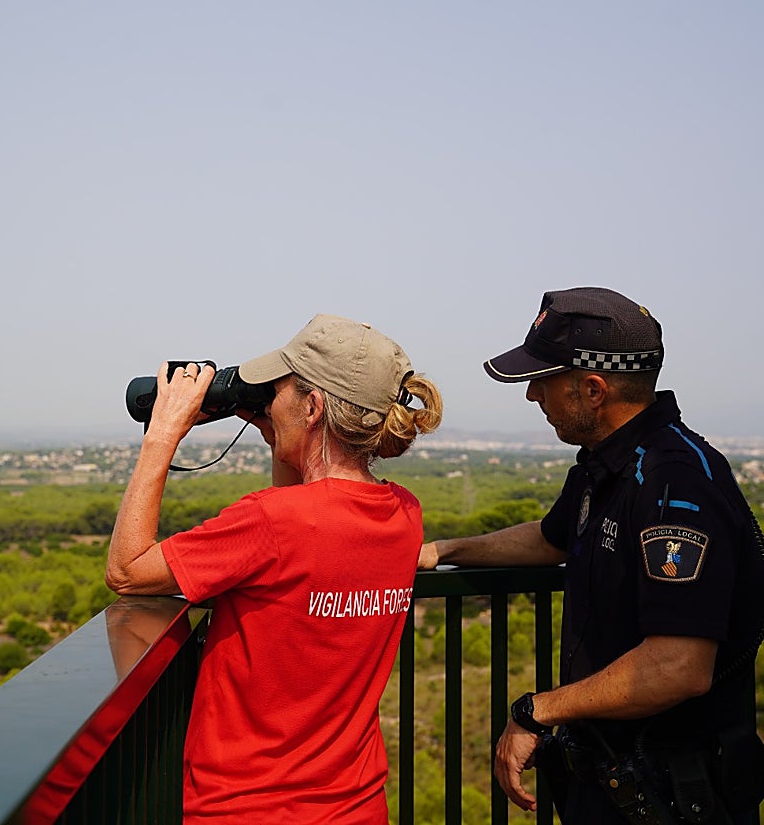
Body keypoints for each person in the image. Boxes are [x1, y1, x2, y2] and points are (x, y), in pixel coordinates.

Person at [418, 287, 764, 824]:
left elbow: (679, 666)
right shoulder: (606, 465)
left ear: (594, 389)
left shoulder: (673, 481)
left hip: (676, 793)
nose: (533, 396)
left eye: (542, 380)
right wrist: (445, 550)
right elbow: (553, 538)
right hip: (618, 780)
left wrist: (536, 712)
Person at [106, 313, 443, 823]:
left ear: (312, 406)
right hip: (356, 803)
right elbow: (312, 523)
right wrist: (280, 435)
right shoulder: (404, 513)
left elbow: (127, 570)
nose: (270, 400)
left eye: (279, 390)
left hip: (248, 805)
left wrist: (162, 434)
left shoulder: (271, 522)